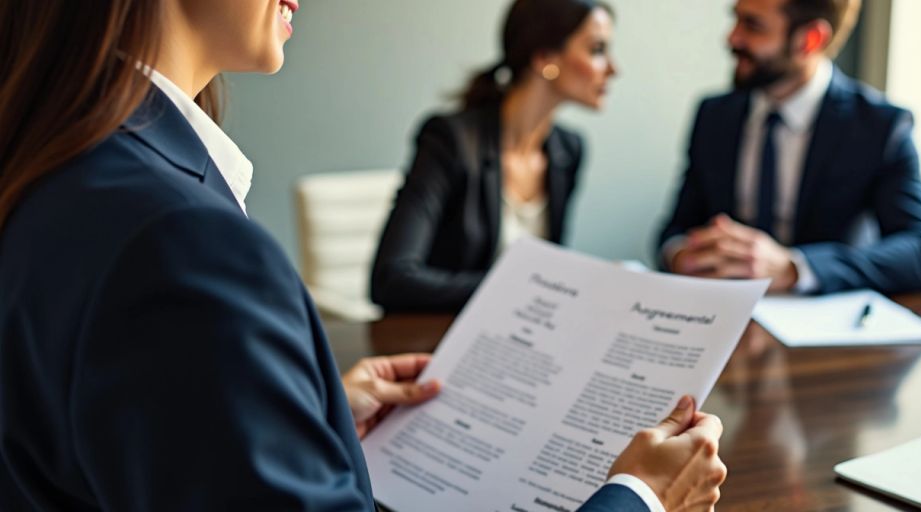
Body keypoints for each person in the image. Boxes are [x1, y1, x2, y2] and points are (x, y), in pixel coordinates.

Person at [0, 1, 725, 510]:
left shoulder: (57, 168)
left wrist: (307, 416)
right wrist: (639, 499)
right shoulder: (182, 241)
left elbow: (130, 432)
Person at [656, 0, 921, 295]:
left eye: (753, 26)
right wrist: (682, 255)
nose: (732, 38)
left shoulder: (879, 126)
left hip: (828, 325)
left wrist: (793, 268)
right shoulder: (715, 116)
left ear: (810, 40)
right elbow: (676, 228)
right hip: (723, 315)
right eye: (736, 20)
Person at [371, 0, 617, 312]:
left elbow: (550, 267)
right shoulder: (450, 140)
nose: (613, 69)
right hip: (439, 340)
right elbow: (391, 279)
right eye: (597, 50)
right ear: (544, 58)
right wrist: (521, 286)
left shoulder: (568, 151)